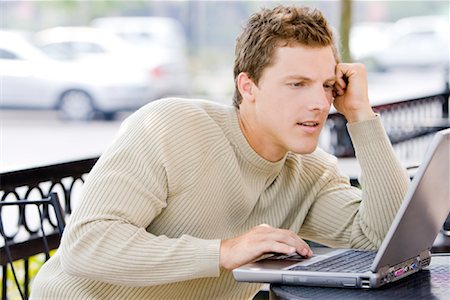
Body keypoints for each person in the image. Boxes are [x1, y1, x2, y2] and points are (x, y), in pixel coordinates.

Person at [31, 5, 409, 300]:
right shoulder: (170, 126)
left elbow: (386, 238)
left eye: (327, 85)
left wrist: (361, 116)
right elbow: (87, 245)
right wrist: (223, 252)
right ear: (248, 86)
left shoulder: (312, 171)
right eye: (297, 84)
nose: (318, 103)